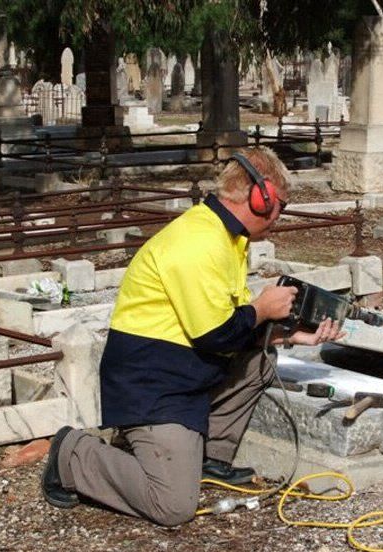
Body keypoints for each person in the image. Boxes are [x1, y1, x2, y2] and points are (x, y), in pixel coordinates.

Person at [41, 147, 343, 526]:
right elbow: (216, 335)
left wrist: (287, 336)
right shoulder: (199, 242)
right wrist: (263, 309)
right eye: (279, 205)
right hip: (153, 383)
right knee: (172, 505)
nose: (279, 217)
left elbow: (227, 322)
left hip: (183, 369)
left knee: (261, 361)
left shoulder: (229, 238)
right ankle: (73, 453)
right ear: (259, 197)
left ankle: (208, 459)